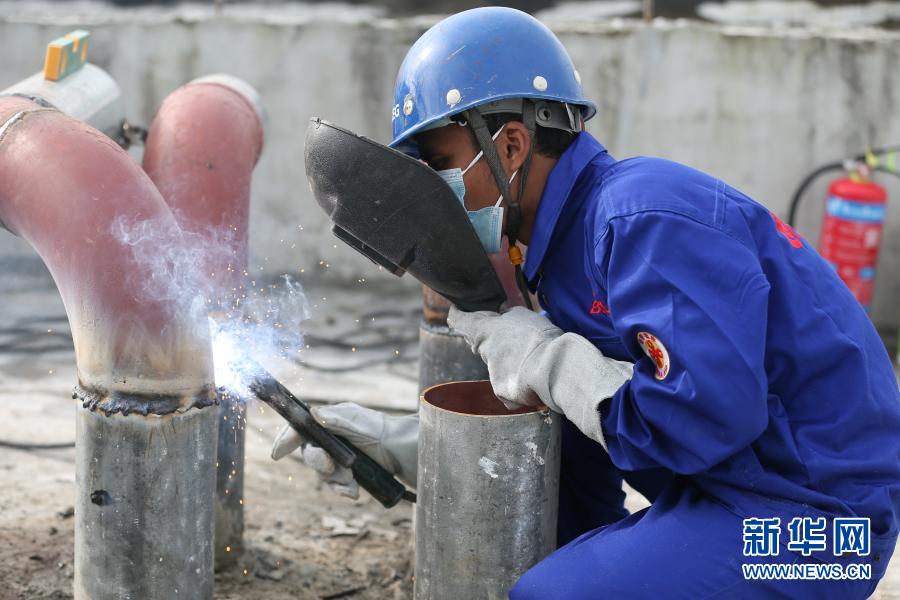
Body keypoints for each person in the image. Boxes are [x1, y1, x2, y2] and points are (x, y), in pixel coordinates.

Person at [273, 7, 900, 598]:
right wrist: (416, 449)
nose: (434, 189)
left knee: (549, 595)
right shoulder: (562, 249)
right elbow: (578, 439)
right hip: (732, 493)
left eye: (440, 163)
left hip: (821, 530)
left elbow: (703, 419)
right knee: (543, 549)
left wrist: (549, 360)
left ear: (511, 146)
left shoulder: (641, 219)